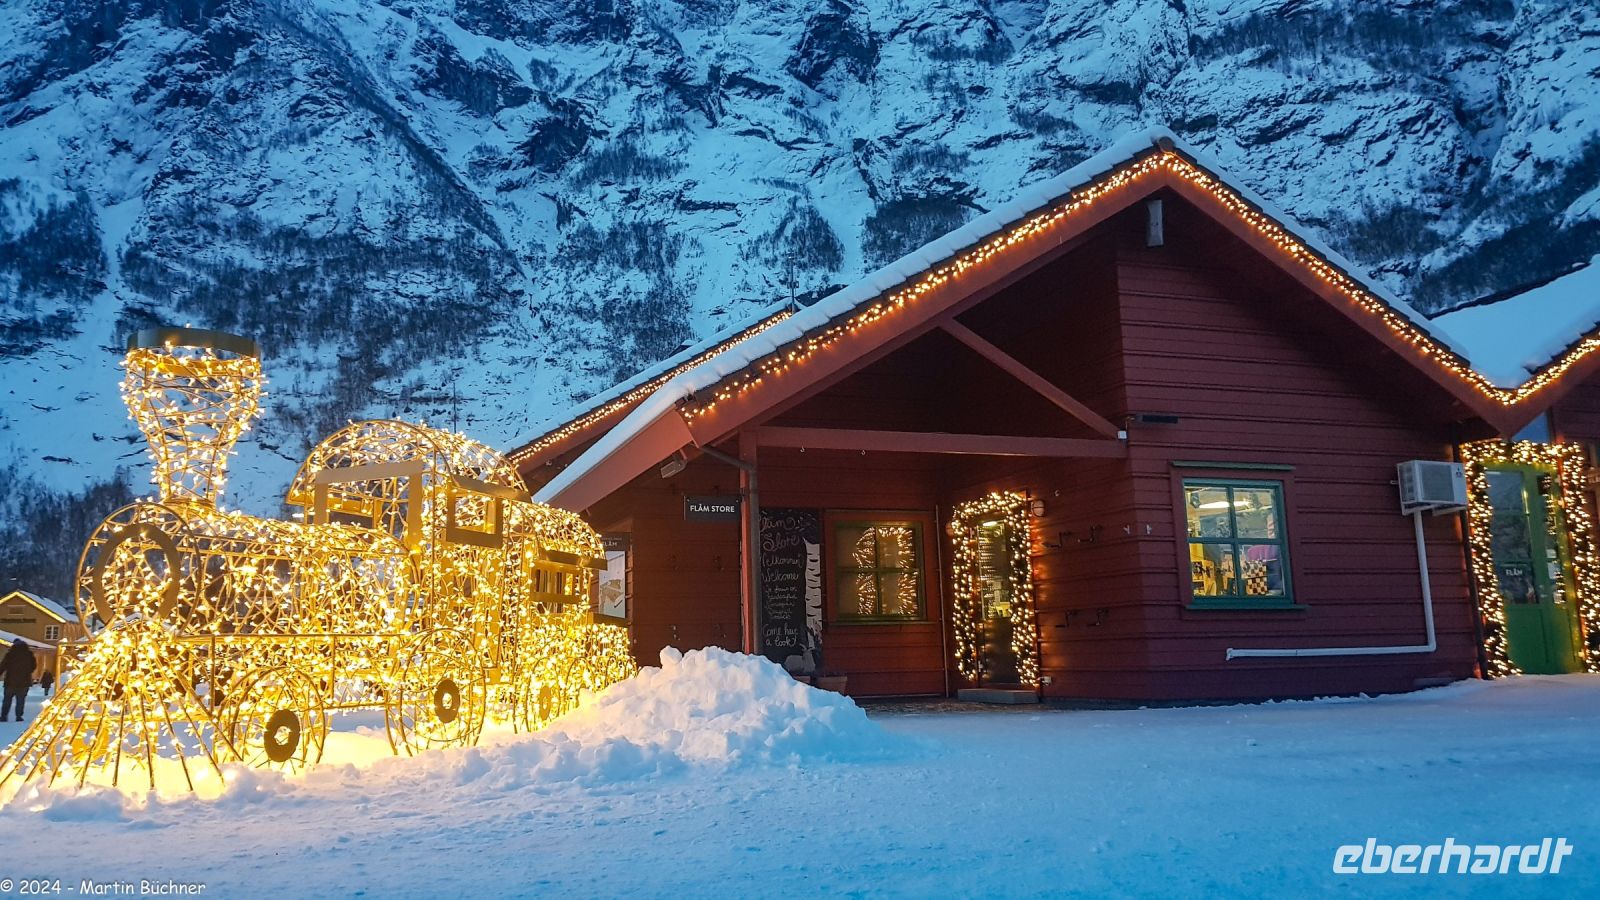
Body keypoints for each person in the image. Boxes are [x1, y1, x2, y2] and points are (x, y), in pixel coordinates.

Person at [2, 639, 36, 722]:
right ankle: (18, 716)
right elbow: (33, 666)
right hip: (24, 682)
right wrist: (27, 672)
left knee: (7, 700)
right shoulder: (29, 655)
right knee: (20, 700)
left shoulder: (10, 655)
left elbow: (3, 665)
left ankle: (3, 716)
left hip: (10, 681)